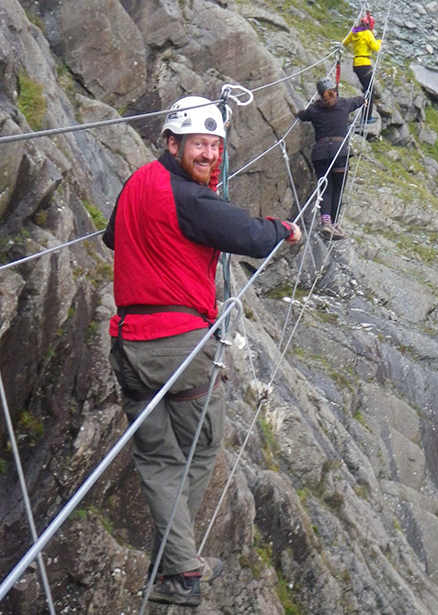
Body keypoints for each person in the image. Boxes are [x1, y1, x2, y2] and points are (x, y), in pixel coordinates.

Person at [103, 95, 301, 607]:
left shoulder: (135, 184)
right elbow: (252, 236)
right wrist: (286, 230)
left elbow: (111, 238)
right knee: (199, 449)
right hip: (181, 349)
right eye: (199, 144)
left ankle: (175, 565)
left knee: (156, 457)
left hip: (128, 345)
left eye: (215, 145)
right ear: (173, 143)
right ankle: (180, 569)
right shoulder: (189, 199)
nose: (210, 154)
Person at [297, 78, 365, 240]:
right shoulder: (343, 104)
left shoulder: (313, 109)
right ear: (335, 91)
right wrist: (366, 98)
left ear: (320, 94)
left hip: (320, 154)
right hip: (340, 152)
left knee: (325, 189)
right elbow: (360, 100)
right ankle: (333, 224)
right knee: (337, 190)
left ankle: (326, 221)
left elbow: (302, 115)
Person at [342, 11, 382, 123]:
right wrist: (379, 41)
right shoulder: (368, 33)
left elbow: (345, 42)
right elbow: (375, 47)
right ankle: (366, 117)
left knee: (367, 89)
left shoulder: (354, 31)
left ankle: (365, 115)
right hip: (364, 63)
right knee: (370, 90)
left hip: (356, 64)